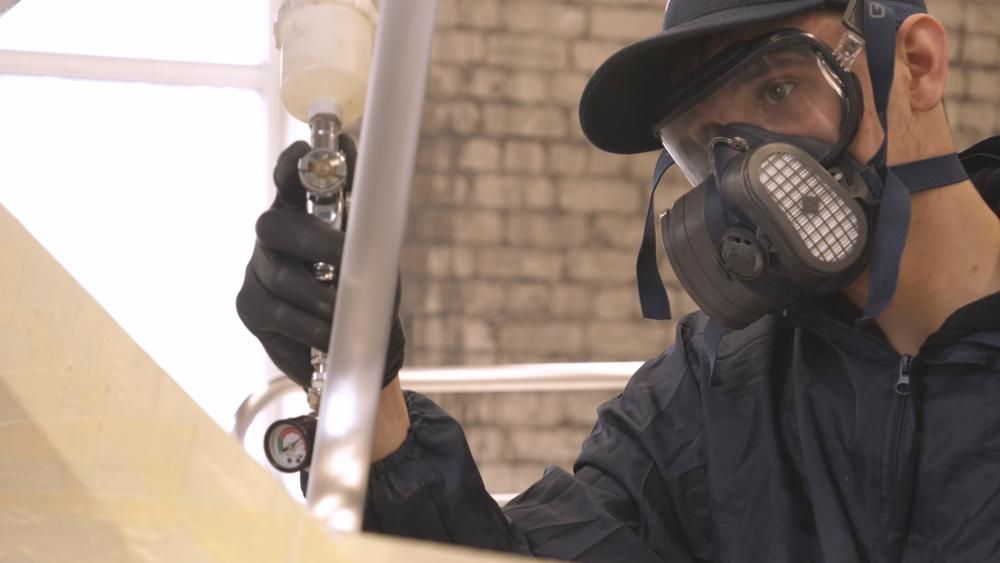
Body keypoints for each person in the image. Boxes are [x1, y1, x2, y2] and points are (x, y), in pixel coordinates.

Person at [237, 0, 1000, 560]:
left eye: (776, 90)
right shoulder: (711, 394)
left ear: (917, 63)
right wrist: (368, 386)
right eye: (707, 143)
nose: (748, 173)